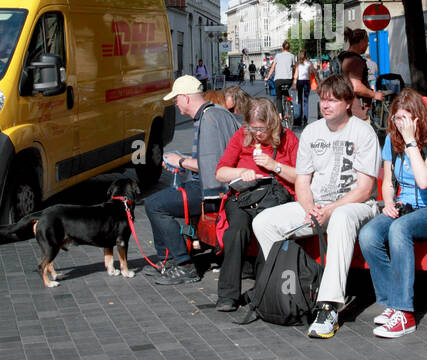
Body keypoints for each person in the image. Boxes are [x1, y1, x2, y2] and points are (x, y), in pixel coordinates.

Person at [243, 74, 381, 337]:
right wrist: (309, 208)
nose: (325, 106)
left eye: (333, 101)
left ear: (348, 102)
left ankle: (328, 306)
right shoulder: (311, 132)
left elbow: (364, 190)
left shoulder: (363, 132)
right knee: (264, 221)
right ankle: (299, 283)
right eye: (323, 100)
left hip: (357, 205)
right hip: (316, 204)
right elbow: (302, 181)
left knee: (340, 217)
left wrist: (329, 209)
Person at [358, 89, 427, 337]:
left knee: (399, 229)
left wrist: (411, 141)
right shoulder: (392, 142)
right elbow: (388, 182)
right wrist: (389, 202)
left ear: (417, 119)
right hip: (406, 207)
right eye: (396, 118)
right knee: (369, 234)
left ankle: (405, 314)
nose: (399, 124)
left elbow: (424, 181)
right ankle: (392, 302)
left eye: (405, 118)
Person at [142, 75, 240, 285]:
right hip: (215, 185)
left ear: (186, 98)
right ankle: (167, 261)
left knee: (154, 205)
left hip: (211, 190)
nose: (176, 105)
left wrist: (181, 161)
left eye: (176, 99)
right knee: (157, 202)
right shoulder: (216, 113)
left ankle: (183, 265)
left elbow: (212, 167)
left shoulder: (208, 119)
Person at [212, 97, 300, 311]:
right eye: (253, 128)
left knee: (266, 229)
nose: (257, 134)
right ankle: (227, 296)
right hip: (243, 198)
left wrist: (274, 166)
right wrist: (241, 172)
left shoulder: (288, 140)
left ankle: (260, 291)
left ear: (272, 124)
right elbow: (220, 172)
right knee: (237, 231)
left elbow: (301, 177)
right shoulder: (242, 137)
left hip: (275, 199)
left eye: (262, 129)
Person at [338, 28, 385, 120]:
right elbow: (356, 87)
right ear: (361, 42)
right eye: (367, 42)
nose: (368, 45)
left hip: (344, 110)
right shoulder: (355, 60)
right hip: (356, 113)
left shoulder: (342, 57)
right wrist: (374, 95)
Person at [271, 40, 296, 113]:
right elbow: (294, 68)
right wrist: (294, 77)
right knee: (285, 90)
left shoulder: (277, 56)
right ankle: (289, 104)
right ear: (289, 48)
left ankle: (280, 115)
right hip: (288, 80)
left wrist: (267, 77)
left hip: (278, 81)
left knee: (279, 97)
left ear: (282, 48)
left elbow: (272, 68)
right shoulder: (292, 56)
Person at [294, 50, 313, 126]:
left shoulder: (298, 63)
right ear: (306, 55)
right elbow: (312, 72)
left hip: (299, 82)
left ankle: (299, 118)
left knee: (299, 100)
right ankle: (305, 118)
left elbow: (296, 74)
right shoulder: (309, 63)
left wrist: (294, 84)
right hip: (307, 82)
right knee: (306, 101)